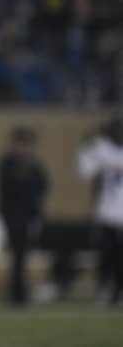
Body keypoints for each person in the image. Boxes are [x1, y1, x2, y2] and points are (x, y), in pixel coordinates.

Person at [0, 126, 49, 305]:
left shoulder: (34, 165)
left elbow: (43, 187)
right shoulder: (6, 164)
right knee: (18, 255)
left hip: (28, 217)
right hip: (12, 217)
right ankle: (17, 293)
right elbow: (3, 191)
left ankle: (19, 292)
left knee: (22, 256)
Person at [77, 112, 123, 305]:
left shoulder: (106, 152)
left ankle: (119, 291)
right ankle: (105, 290)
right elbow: (83, 172)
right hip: (108, 213)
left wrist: (99, 150)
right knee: (107, 256)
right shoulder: (103, 150)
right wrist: (86, 148)